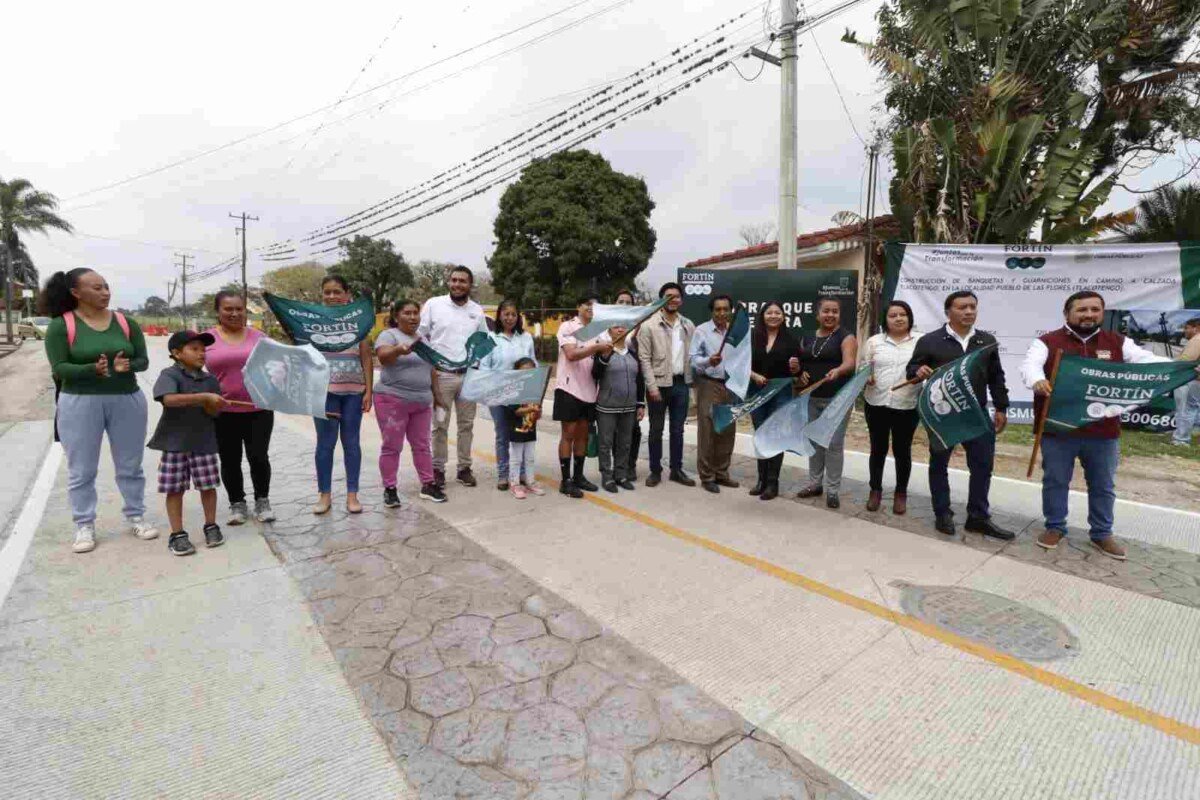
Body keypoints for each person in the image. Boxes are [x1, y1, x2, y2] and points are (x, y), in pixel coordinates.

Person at [1023, 291, 1186, 560]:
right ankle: (1055, 527)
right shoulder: (1047, 341)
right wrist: (1036, 380)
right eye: (1082, 310)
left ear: (1102, 312)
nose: (1089, 315)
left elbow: (1149, 361)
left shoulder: (1117, 342)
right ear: (1068, 314)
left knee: (1102, 485)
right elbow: (1030, 365)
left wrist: (1183, 368)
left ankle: (1101, 533)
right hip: (1059, 429)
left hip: (1103, 432)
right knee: (1055, 481)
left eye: (1095, 310)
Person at [41, 268, 158, 554]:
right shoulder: (61, 326)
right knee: (82, 469)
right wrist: (92, 369)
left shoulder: (125, 322)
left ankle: (136, 516)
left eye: (106, 286)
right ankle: (84, 524)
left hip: (127, 399)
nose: (105, 292)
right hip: (80, 402)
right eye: (96, 288)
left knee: (130, 465)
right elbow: (59, 369)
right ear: (76, 293)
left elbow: (142, 359)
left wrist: (127, 366)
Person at [907, 290, 1013, 540]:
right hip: (943, 416)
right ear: (948, 312)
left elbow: (996, 376)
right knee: (939, 464)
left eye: (972, 307)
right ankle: (942, 513)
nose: (968, 312)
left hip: (976, 415)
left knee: (982, 466)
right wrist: (917, 370)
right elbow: (911, 369)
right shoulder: (930, 341)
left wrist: (1001, 407)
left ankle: (978, 516)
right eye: (962, 307)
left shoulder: (986, 341)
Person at [147, 331, 228, 556]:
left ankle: (211, 525)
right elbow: (168, 399)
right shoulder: (169, 374)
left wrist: (216, 404)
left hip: (203, 441)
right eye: (194, 349)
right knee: (175, 489)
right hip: (175, 443)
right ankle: (178, 534)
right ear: (176, 353)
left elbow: (212, 412)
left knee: (208, 486)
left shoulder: (210, 379)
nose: (202, 353)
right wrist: (203, 397)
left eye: (204, 349)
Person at [205, 291, 275, 525]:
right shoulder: (206, 340)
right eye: (228, 309)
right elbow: (192, 370)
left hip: (259, 409)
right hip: (222, 412)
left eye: (239, 308)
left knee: (258, 457)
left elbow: (277, 366)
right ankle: (237, 504)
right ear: (218, 311)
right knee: (230, 459)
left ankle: (262, 501)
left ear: (245, 310)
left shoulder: (260, 337)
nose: (234, 313)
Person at [419, 265, 488, 488]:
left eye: (462, 281)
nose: (457, 284)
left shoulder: (476, 310)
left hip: (468, 377)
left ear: (470, 285)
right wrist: (430, 365)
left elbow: (484, 341)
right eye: (454, 280)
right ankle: (437, 468)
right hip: (441, 376)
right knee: (439, 425)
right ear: (449, 282)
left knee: (466, 425)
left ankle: (464, 468)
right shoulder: (433, 305)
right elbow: (420, 335)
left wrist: (477, 368)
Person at [374, 299, 446, 506]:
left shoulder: (423, 339)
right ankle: (390, 489)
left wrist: (438, 397)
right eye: (407, 313)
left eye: (416, 313)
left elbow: (431, 369)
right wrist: (398, 350)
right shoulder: (389, 335)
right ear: (396, 316)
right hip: (392, 400)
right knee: (392, 446)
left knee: (422, 445)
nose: (413, 317)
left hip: (422, 402)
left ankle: (428, 484)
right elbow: (383, 357)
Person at [313, 275, 373, 515]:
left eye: (337, 292)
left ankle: (352, 495)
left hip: (353, 393)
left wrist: (369, 390)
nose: (332, 297)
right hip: (324, 394)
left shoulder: (358, 322)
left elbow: (366, 357)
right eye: (327, 292)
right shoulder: (312, 322)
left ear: (347, 295)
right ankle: (324, 496)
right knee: (325, 446)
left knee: (352, 444)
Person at [795, 296, 858, 509]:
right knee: (814, 442)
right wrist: (801, 374)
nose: (830, 315)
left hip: (837, 400)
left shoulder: (846, 336)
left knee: (833, 444)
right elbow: (801, 365)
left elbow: (850, 363)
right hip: (811, 399)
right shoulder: (807, 338)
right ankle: (814, 484)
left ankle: (832, 490)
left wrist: (839, 371)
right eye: (826, 311)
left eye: (835, 311)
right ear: (818, 314)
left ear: (839, 314)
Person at [860, 301, 920, 515]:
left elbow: (926, 368)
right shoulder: (874, 342)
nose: (898, 318)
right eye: (893, 315)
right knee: (878, 449)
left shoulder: (920, 341)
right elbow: (863, 367)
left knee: (903, 451)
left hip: (907, 404)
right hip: (876, 403)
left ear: (909, 317)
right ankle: (875, 490)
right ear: (885, 319)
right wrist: (866, 376)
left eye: (903, 314)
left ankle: (900, 493)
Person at [636, 282, 696, 487]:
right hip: (659, 384)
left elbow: (693, 355)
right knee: (656, 430)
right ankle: (655, 470)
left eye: (676, 296)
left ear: (681, 300)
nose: (673, 299)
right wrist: (651, 387)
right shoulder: (648, 326)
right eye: (668, 296)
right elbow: (644, 358)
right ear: (662, 299)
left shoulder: (688, 325)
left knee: (678, 430)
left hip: (681, 383)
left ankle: (676, 470)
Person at [554, 296, 609, 498]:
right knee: (568, 434)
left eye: (595, 306)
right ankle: (565, 480)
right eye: (587, 304)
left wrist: (605, 353)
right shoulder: (568, 327)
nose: (590, 308)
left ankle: (578, 476)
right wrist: (597, 347)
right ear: (578, 306)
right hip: (569, 389)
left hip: (589, 391)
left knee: (583, 436)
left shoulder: (599, 330)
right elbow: (571, 354)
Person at [479, 299, 537, 490]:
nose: (510, 318)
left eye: (513, 314)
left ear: (517, 316)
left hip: (521, 395)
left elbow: (533, 364)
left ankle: (519, 473)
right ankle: (503, 475)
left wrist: (532, 392)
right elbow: (484, 367)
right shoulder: (490, 338)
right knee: (503, 435)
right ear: (500, 315)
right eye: (506, 314)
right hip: (497, 394)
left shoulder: (526, 337)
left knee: (521, 434)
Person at [748, 301, 801, 500]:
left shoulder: (791, 339)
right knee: (761, 434)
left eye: (777, 312)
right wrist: (754, 376)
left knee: (776, 435)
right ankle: (760, 480)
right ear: (762, 316)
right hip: (757, 391)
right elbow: (741, 363)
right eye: (769, 312)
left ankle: (772, 483)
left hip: (781, 392)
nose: (773, 316)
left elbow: (798, 371)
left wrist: (796, 368)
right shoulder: (753, 337)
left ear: (783, 316)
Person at [688, 294, 740, 493]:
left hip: (731, 385)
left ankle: (722, 473)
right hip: (709, 384)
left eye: (725, 309)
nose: (722, 313)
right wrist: (709, 361)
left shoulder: (735, 331)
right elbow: (693, 359)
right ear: (712, 311)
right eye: (717, 309)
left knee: (727, 430)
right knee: (708, 431)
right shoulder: (702, 331)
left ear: (730, 311)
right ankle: (707, 476)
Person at [592, 325, 645, 492]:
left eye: (623, 327)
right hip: (607, 407)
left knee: (625, 443)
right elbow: (595, 374)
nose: (620, 330)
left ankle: (621, 475)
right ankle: (607, 477)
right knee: (605, 443)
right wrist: (604, 358)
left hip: (629, 408)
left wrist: (640, 404)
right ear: (609, 331)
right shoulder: (604, 351)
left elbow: (639, 380)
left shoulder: (632, 354)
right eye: (616, 327)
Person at [502, 358, 547, 500]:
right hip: (516, 430)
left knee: (530, 458)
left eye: (531, 371)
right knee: (516, 458)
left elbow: (537, 414)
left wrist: (538, 411)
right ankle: (514, 483)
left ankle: (530, 481)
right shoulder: (513, 390)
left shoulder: (534, 390)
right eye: (524, 371)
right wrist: (531, 408)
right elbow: (516, 411)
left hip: (530, 430)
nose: (528, 374)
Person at [614, 288, 642, 479]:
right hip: (610, 390)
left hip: (631, 389)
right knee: (612, 433)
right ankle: (617, 466)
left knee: (634, 430)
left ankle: (630, 465)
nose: (624, 305)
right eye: (620, 301)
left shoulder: (639, 328)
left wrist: (641, 402)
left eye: (628, 302)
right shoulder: (605, 328)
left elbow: (641, 367)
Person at [1172, 317, 1200, 446]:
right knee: (1192, 408)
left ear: (1196, 328)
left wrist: (1170, 363)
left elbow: (1187, 359)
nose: (1185, 331)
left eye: (1187, 328)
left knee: (1186, 409)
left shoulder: (1197, 339)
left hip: (1190, 378)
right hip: (1195, 379)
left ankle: (1181, 439)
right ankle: (1189, 433)